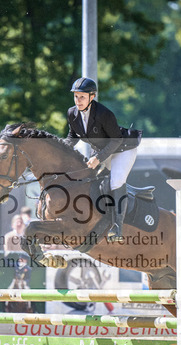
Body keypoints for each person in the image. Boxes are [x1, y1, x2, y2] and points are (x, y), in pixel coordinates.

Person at [64, 77, 139, 242]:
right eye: (76, 96)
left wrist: (98, 158)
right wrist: (60, 149)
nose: (78, 101)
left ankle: (117, 227)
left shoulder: (104, 114)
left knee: (116, 182)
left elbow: (116, 140)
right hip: (103, 150)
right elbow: (72, 137)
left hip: (123, 149)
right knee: (92, 179)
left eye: (82, 97)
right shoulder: (72, 113)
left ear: (92, 96)